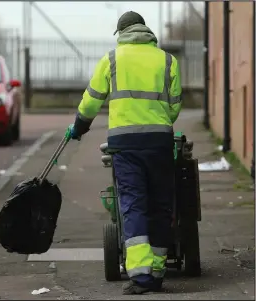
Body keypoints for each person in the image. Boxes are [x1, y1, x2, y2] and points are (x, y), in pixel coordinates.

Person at [69, 11, 182, 295]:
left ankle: (141, 276)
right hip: (159, 142)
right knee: (160, 204)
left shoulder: (112, 59)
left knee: (133, 204)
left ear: (121, 33)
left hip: (125, 145)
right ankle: (156, 271)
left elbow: (92, 100)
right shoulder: (167, 60)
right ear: (145, 31)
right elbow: (174, 107)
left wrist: (80, 126)